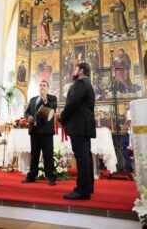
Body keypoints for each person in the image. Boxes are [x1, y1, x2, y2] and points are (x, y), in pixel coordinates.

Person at [59, 62, 96, 200]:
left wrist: (62, 117)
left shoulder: (80, 84)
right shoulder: (88, 84)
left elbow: (73, 103)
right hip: (84, 125)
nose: (73, 71)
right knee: (85, 155)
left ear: (81, 71)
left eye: (75, 69)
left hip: (78, 125)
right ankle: (88, 186)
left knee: (81, 157)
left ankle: (82, 190)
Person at [22, 80, 57, 185]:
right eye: (40, 85)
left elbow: (53, 108)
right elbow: (26, 112)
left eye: (44, 85)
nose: (42, 87)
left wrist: (45, 101)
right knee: (34, 154)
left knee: (48, 155)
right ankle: (31, 176)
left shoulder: (52, 98)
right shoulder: (33, 99)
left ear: (47, 88)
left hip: (46, 132)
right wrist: (29, 117)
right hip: (34, 131)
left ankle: (51, 177)